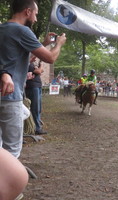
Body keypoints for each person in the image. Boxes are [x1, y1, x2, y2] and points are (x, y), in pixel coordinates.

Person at [0, 0, 66, 158]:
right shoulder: (22, 30)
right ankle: (9, 180)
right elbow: (50, 58)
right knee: (12, 149)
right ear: (27, 12)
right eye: (35, 14)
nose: (36, 18)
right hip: (10, 96)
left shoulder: (3, 29)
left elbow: (23, 58)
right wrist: (58, 44)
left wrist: (42, 44)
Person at [25, 59, 47, 135]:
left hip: (37, 86)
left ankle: (37, 126)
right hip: (32, 87)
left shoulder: (33, 63)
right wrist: (39, 67)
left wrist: (39, 68)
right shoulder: (27, 63)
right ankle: (36, 128)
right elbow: (39, 71)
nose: (35, 59)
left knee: (38, 108)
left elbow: (40, 71)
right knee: (35, 108)